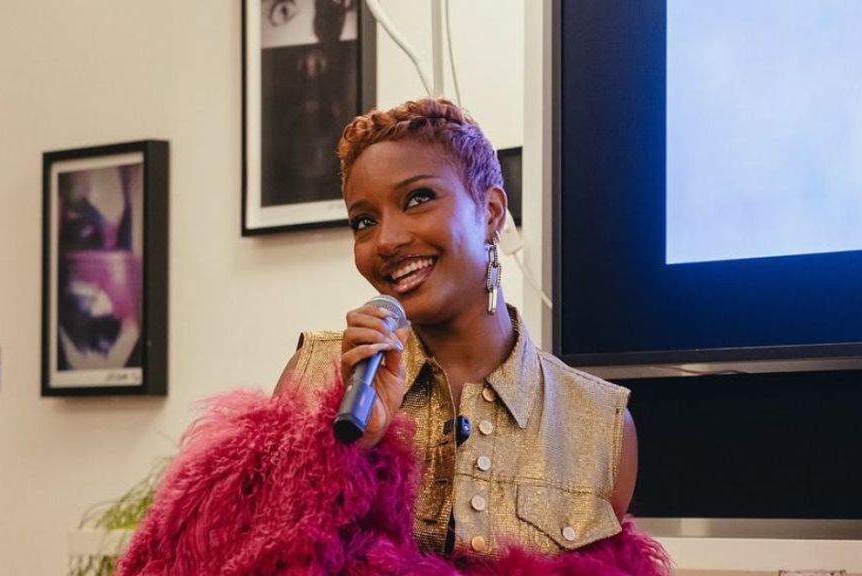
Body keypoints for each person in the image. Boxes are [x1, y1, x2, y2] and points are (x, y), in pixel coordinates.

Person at [116, 99, 666, 576]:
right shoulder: (318, 375)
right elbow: (250, 562)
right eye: (363, 221)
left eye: (418, 198)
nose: (388, 240)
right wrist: (350, 450)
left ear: (491, 212)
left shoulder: (599, 423)